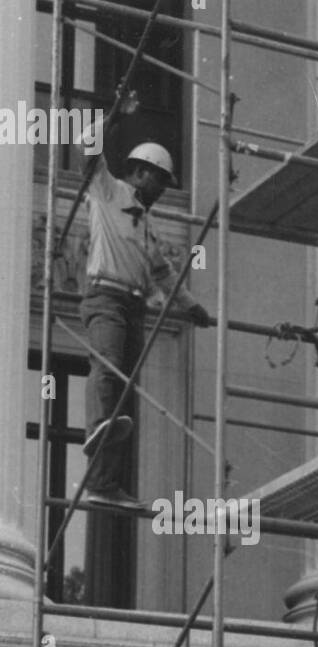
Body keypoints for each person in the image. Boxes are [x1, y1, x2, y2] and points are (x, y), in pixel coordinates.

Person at [78, 111, 213, 505]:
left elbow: (165, 277)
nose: (162, 190)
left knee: (123, 393)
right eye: (159, 180)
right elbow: (88, 143)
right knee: (107, 365)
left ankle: (102, 481)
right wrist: (114, 117)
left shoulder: (149, 228)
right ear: (141, 172)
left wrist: (193, 308)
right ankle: (97, 427)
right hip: (106, 296)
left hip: (134, 308)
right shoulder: (108, 191)